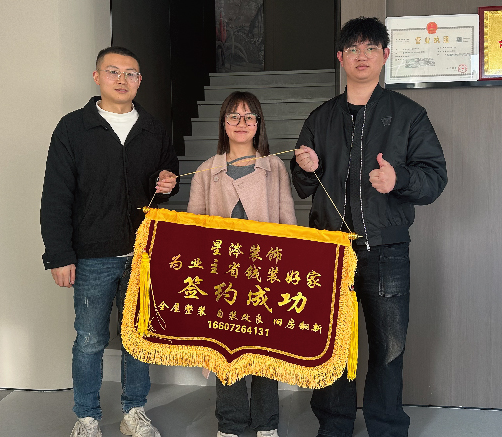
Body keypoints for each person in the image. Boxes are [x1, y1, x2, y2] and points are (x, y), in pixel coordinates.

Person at [291, 17, 447, 437]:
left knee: (388, 348)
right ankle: (334, 425)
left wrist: (400, 180)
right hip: (329, 252)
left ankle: (387, 427)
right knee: (330, 345)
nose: (362, 56)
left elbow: (435, 178)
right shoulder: (320, 117)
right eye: (353, 49)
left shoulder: (409, 114)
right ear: (340, 58)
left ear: (385, 55)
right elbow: (302, 186)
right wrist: (304, 168)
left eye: (371, 48)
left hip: (386, 249)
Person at [40, 46, 179, 437]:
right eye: (113, 71)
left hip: (142, 254)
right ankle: (86, 416)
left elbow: (167, 178)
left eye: (131, 73)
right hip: (92, 255)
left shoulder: (152, 128)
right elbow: (56, 195)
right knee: (89, 339)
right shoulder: (73, 128)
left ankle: (134, 411)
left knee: (138, 339)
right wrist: (59, 255)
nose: (122, 80)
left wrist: (168, 183)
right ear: (97, 76)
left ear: (140, 81)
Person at [188, 91, 296, 437]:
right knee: (226, 349)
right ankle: (231, 423)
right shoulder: (207, 170)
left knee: (265, 346)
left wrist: (288, 266)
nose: (241, 123)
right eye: (233, 116)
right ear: (223, 123)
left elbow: (287, 220)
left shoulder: (274, 167)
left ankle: (266, 423)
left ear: (259, 124)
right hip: (223, 273)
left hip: (265, 271)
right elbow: (194, 227)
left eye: (249, 116)